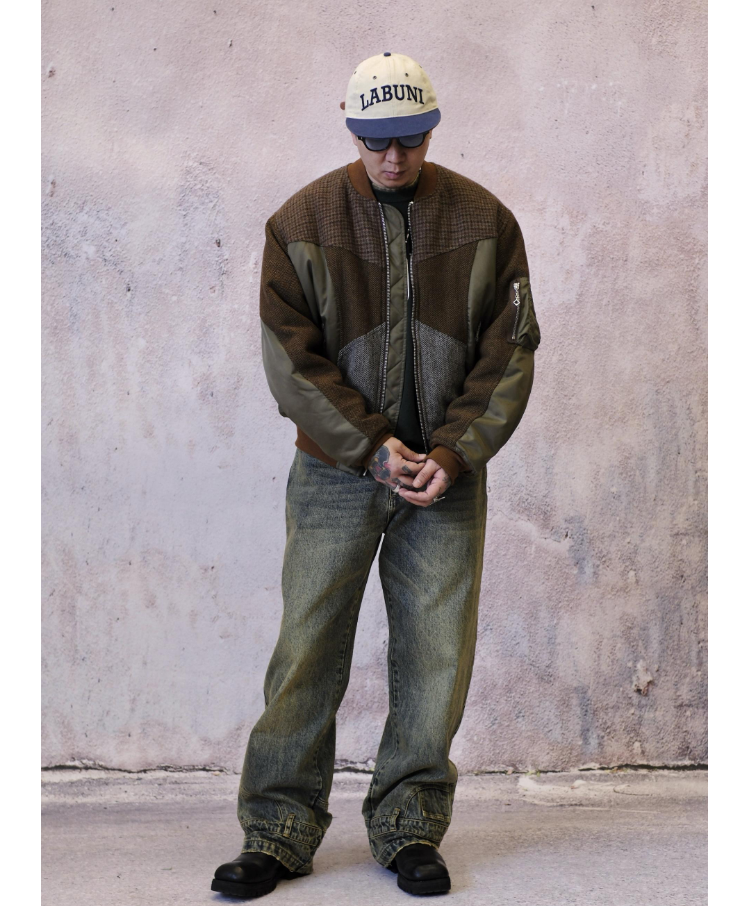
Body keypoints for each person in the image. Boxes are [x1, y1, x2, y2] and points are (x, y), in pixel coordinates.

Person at [211, 51, 541, 899]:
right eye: (375, 141)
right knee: (307, 648)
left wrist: (453, 452)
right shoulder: (301, 222)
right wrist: (371, 447)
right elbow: (292, 361)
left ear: (432, 128)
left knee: (438, 654)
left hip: (444, 479)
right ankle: (277, 830)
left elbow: (510, 351)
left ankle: (410, 828)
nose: (394, 158)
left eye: (410, 140)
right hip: (336, 476)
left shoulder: (487, 221)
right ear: (351, 128)